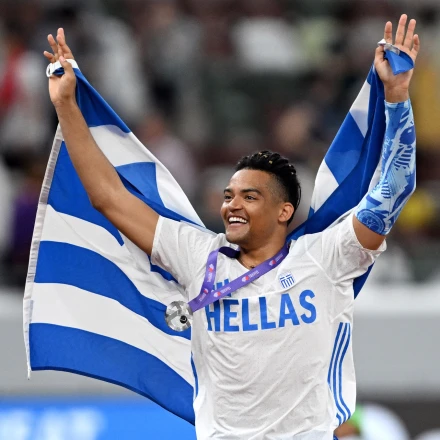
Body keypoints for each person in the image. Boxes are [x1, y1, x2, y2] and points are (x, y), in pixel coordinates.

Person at [43, 14, 419, 440]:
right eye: (228, 196)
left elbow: (393, 189)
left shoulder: (326, 257)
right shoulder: (198, 255)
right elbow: (109, 197)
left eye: (249, 197)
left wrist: (396, 95)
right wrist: (66, 105)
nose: (232, 206)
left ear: (284, 211)